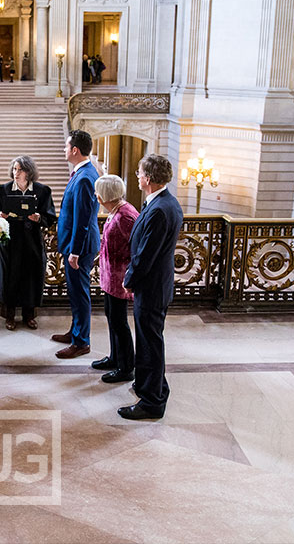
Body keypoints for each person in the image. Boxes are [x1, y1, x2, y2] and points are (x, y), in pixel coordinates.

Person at [118, 154, 183, 421]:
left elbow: (146, 254)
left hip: (152, 286)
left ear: (148, 178)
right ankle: (152, 387)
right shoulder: (165, 202)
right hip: (157, 283)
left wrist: (129, 279)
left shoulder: (159, 209)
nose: (137, 176)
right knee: (149, 340)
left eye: (139, 172)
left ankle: (152, 402)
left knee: (149, 343)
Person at [0, 156, 57, 331]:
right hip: (9, 240)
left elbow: (50, 216)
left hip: (31, 239)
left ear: (29, 172)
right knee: (9, 277)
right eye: (14, 169)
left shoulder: (42, 191)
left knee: (31, 276)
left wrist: (39, 217)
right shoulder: (2, 190)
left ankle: (29, 315)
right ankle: (9, 315)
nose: (15, 173)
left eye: (19, 170)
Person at [51, 130, 100, 359]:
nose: (63, 149)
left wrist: (75, 252)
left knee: (80, 293)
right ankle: (75, 331)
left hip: (78, 248)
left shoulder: (83, 179)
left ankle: (81, 342)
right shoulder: (83, 173)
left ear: (75, 150)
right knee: (75, 292)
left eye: (65, 146)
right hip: (74, 245)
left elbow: (82, 220)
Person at [92, 174, 139, 383]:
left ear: (105, 195)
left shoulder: (125, 216)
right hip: (110, 275)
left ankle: (126, 367)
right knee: (111, 317)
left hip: (120, 279)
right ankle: (115, 357)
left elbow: (135, 249)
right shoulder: (115, 211)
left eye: (98, 192)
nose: (96, 196)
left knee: (120, 323)